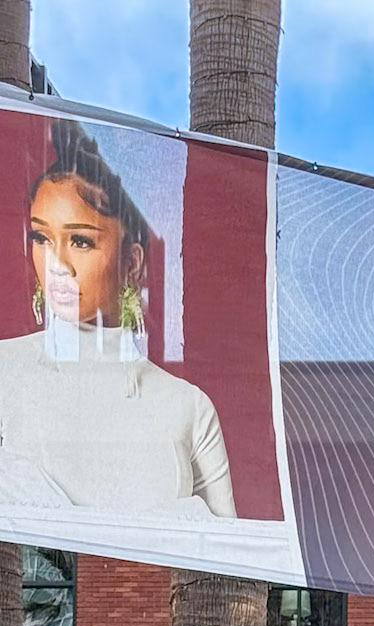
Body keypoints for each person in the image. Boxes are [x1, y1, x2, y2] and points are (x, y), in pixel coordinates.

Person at [0, 127, 235, 517]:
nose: (57, 265)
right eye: (41, 238)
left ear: (132, 261)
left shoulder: (187, 407)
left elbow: (229, 567)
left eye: (80, 241)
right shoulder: (5, 370)